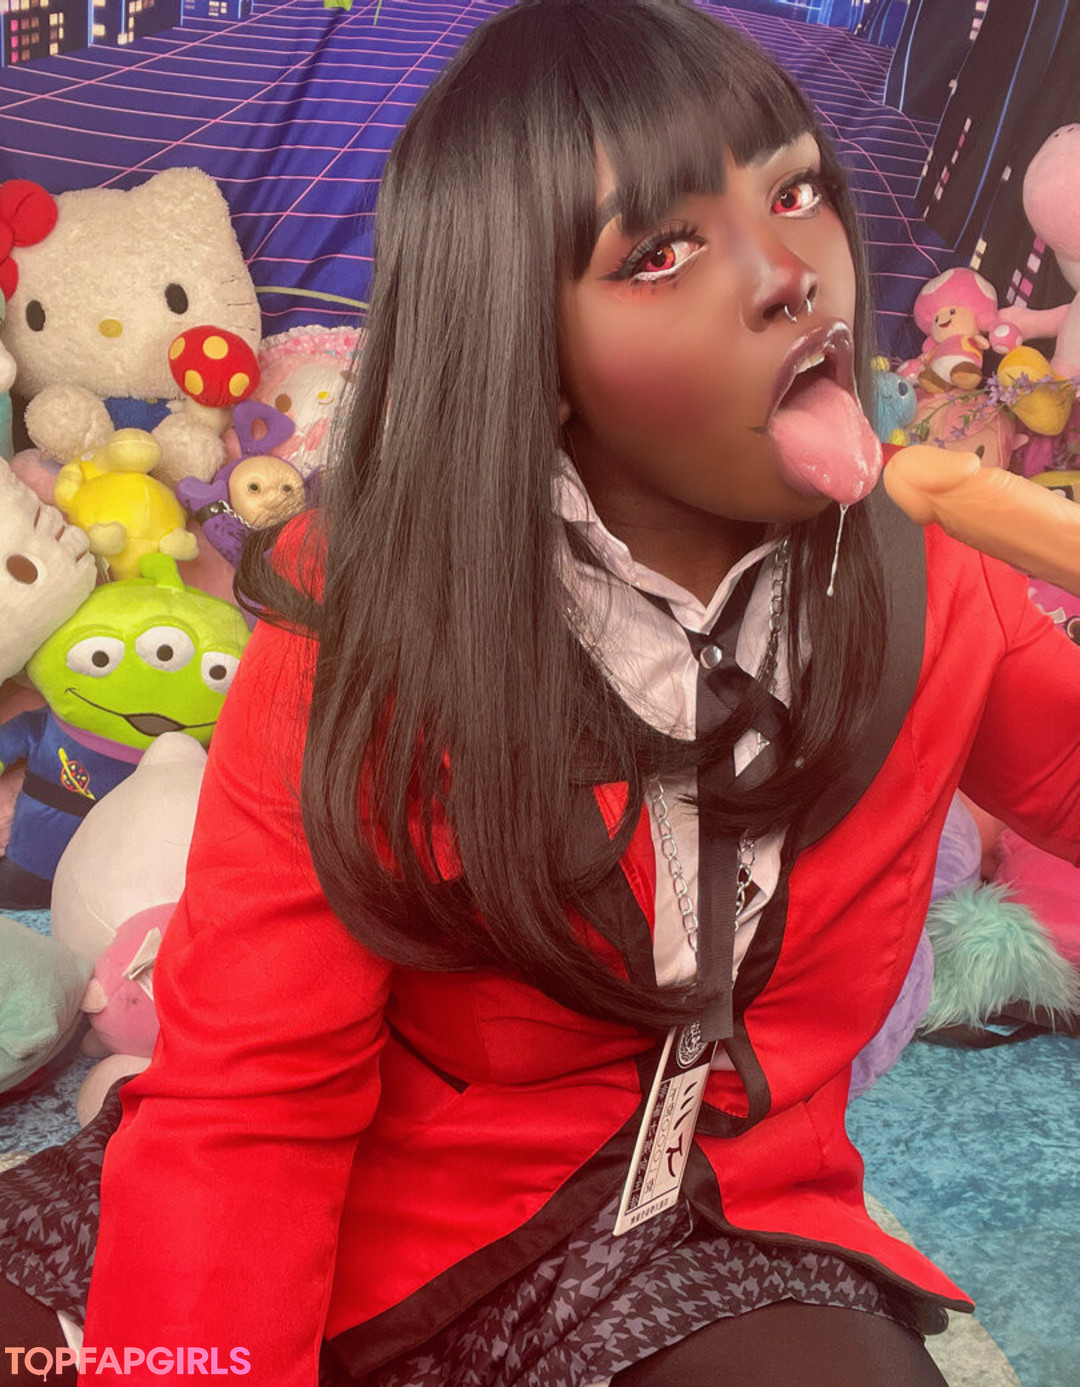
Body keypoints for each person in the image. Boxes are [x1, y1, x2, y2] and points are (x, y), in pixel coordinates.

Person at [2, 1, 1078, 1384]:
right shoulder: (365, 610)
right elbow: (256, 1102)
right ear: (527, 349)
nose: (787, 275)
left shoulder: (936, 585)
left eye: (794, 192)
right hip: (383, 1197)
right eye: (661, 252)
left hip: (718, 1225)